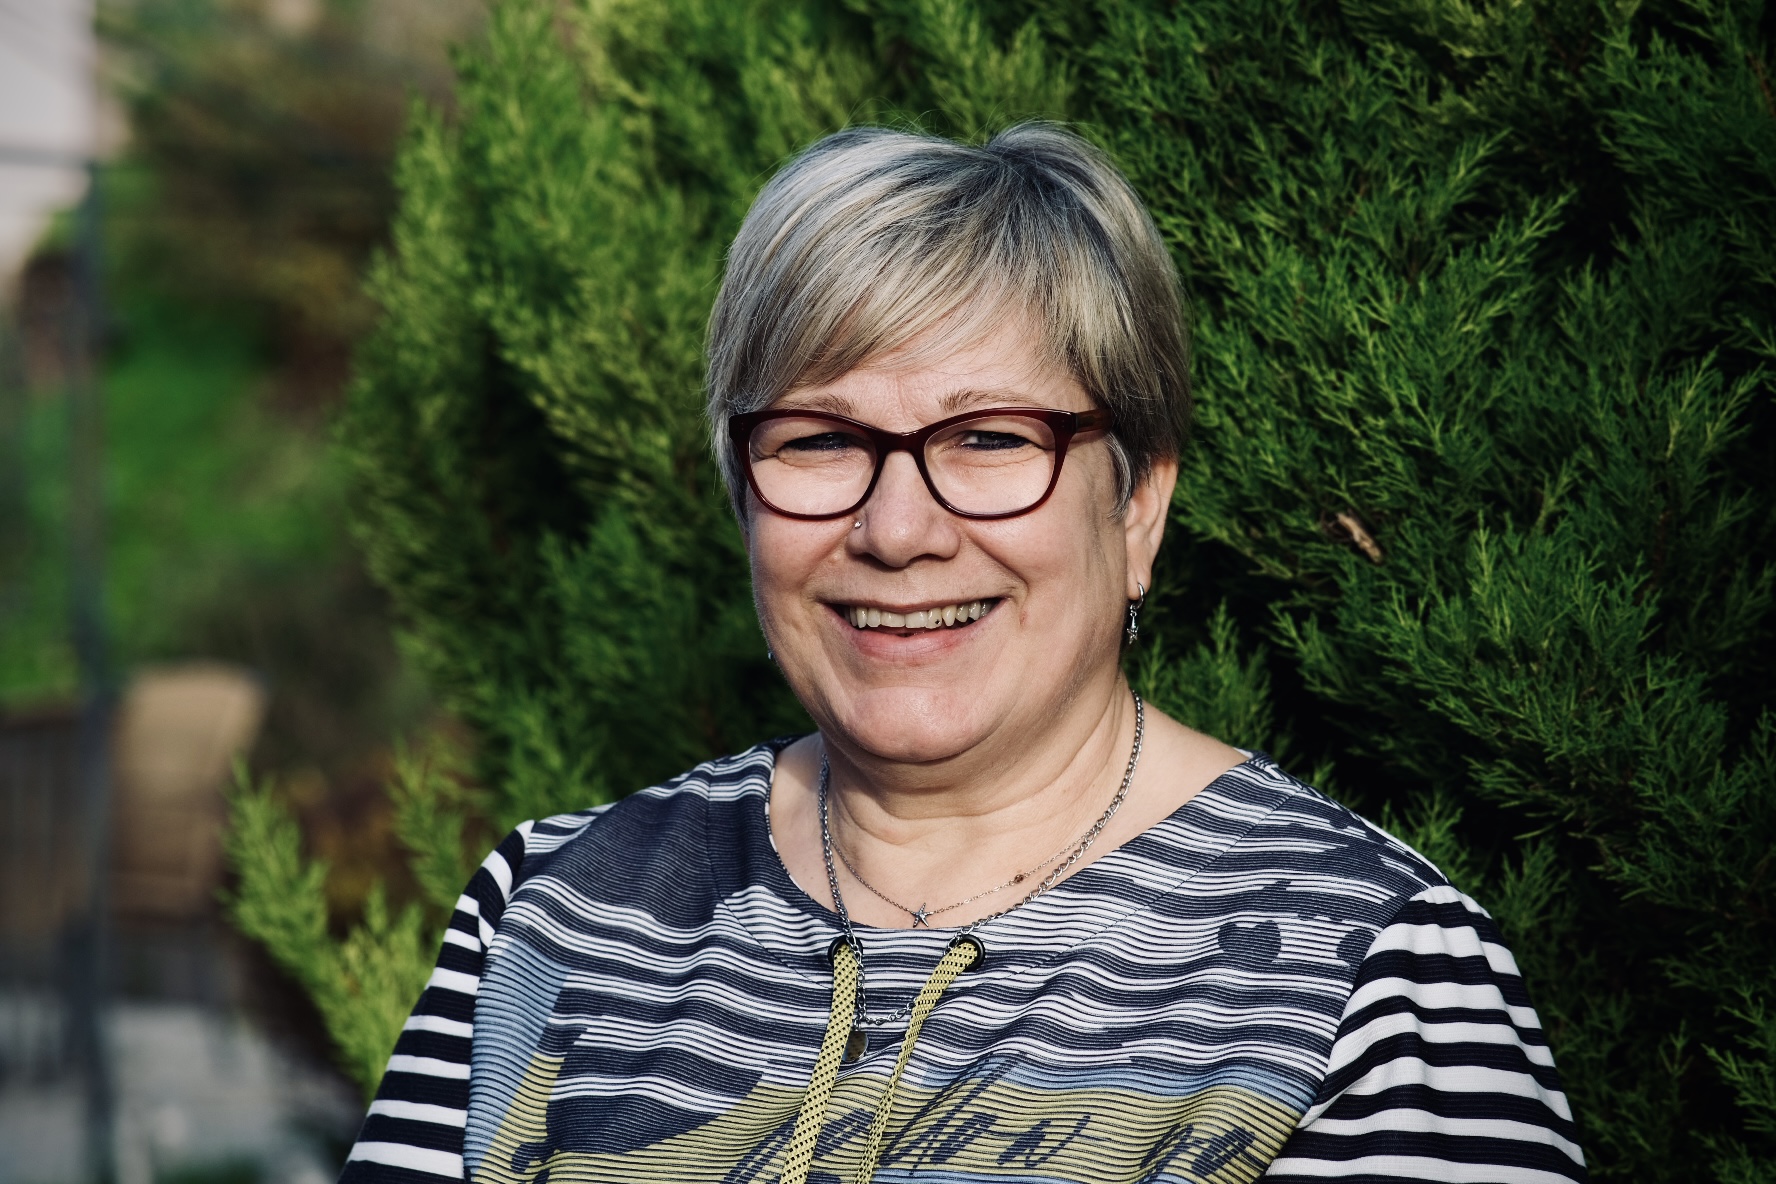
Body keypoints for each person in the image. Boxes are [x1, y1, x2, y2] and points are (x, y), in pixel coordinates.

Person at [338, 124, 1586, 1184]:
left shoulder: (1369, 976)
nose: (898, 529)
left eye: (990, 438)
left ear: (1138, 504)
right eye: (820, 440)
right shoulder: (558, 910)